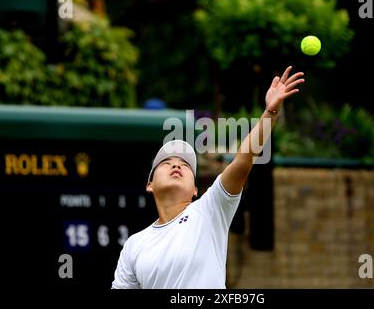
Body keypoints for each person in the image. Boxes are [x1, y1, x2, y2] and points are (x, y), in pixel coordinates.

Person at [111, 66, 305, 289]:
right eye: (166, 163)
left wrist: (269, 113)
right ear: (150, 185)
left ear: (195, 189)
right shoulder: (135, 245)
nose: (176, 164)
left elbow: (243, 160)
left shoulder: (209, 209)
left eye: (185, 165)